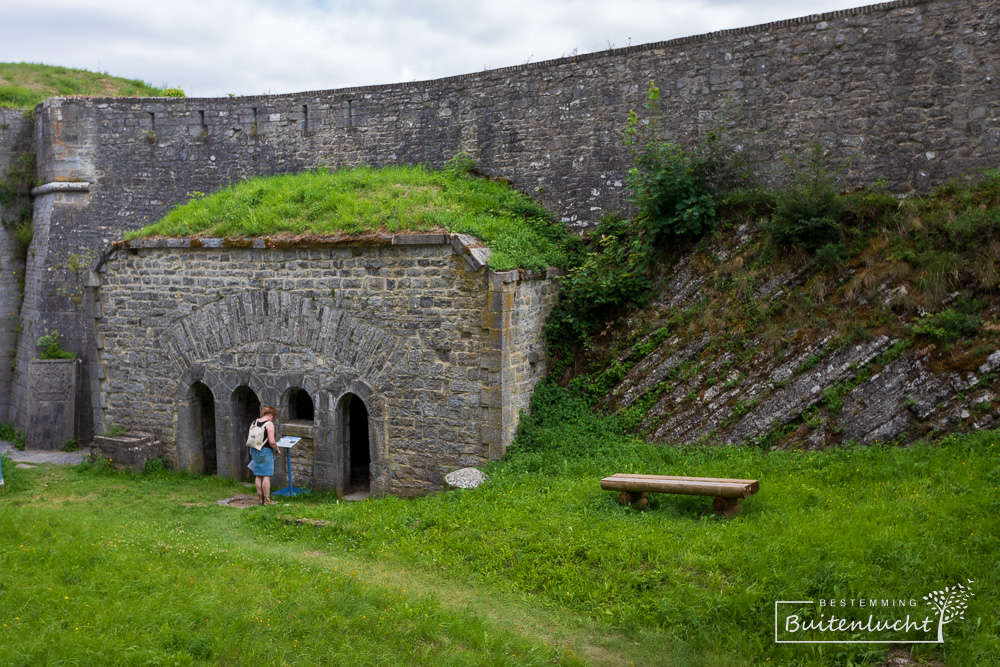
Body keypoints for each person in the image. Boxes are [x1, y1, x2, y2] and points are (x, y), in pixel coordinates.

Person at [249, 406, 279, 505]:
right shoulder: (269, 424)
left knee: (258, 475)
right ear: (271, 415)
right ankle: (267, 500)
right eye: (273, 417)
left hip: (254, 450)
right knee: (266, 476)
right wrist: (277, 449)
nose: (272, 419)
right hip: (265, 451)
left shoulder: (254, 422)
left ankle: (260, 498)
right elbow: (272, 441)